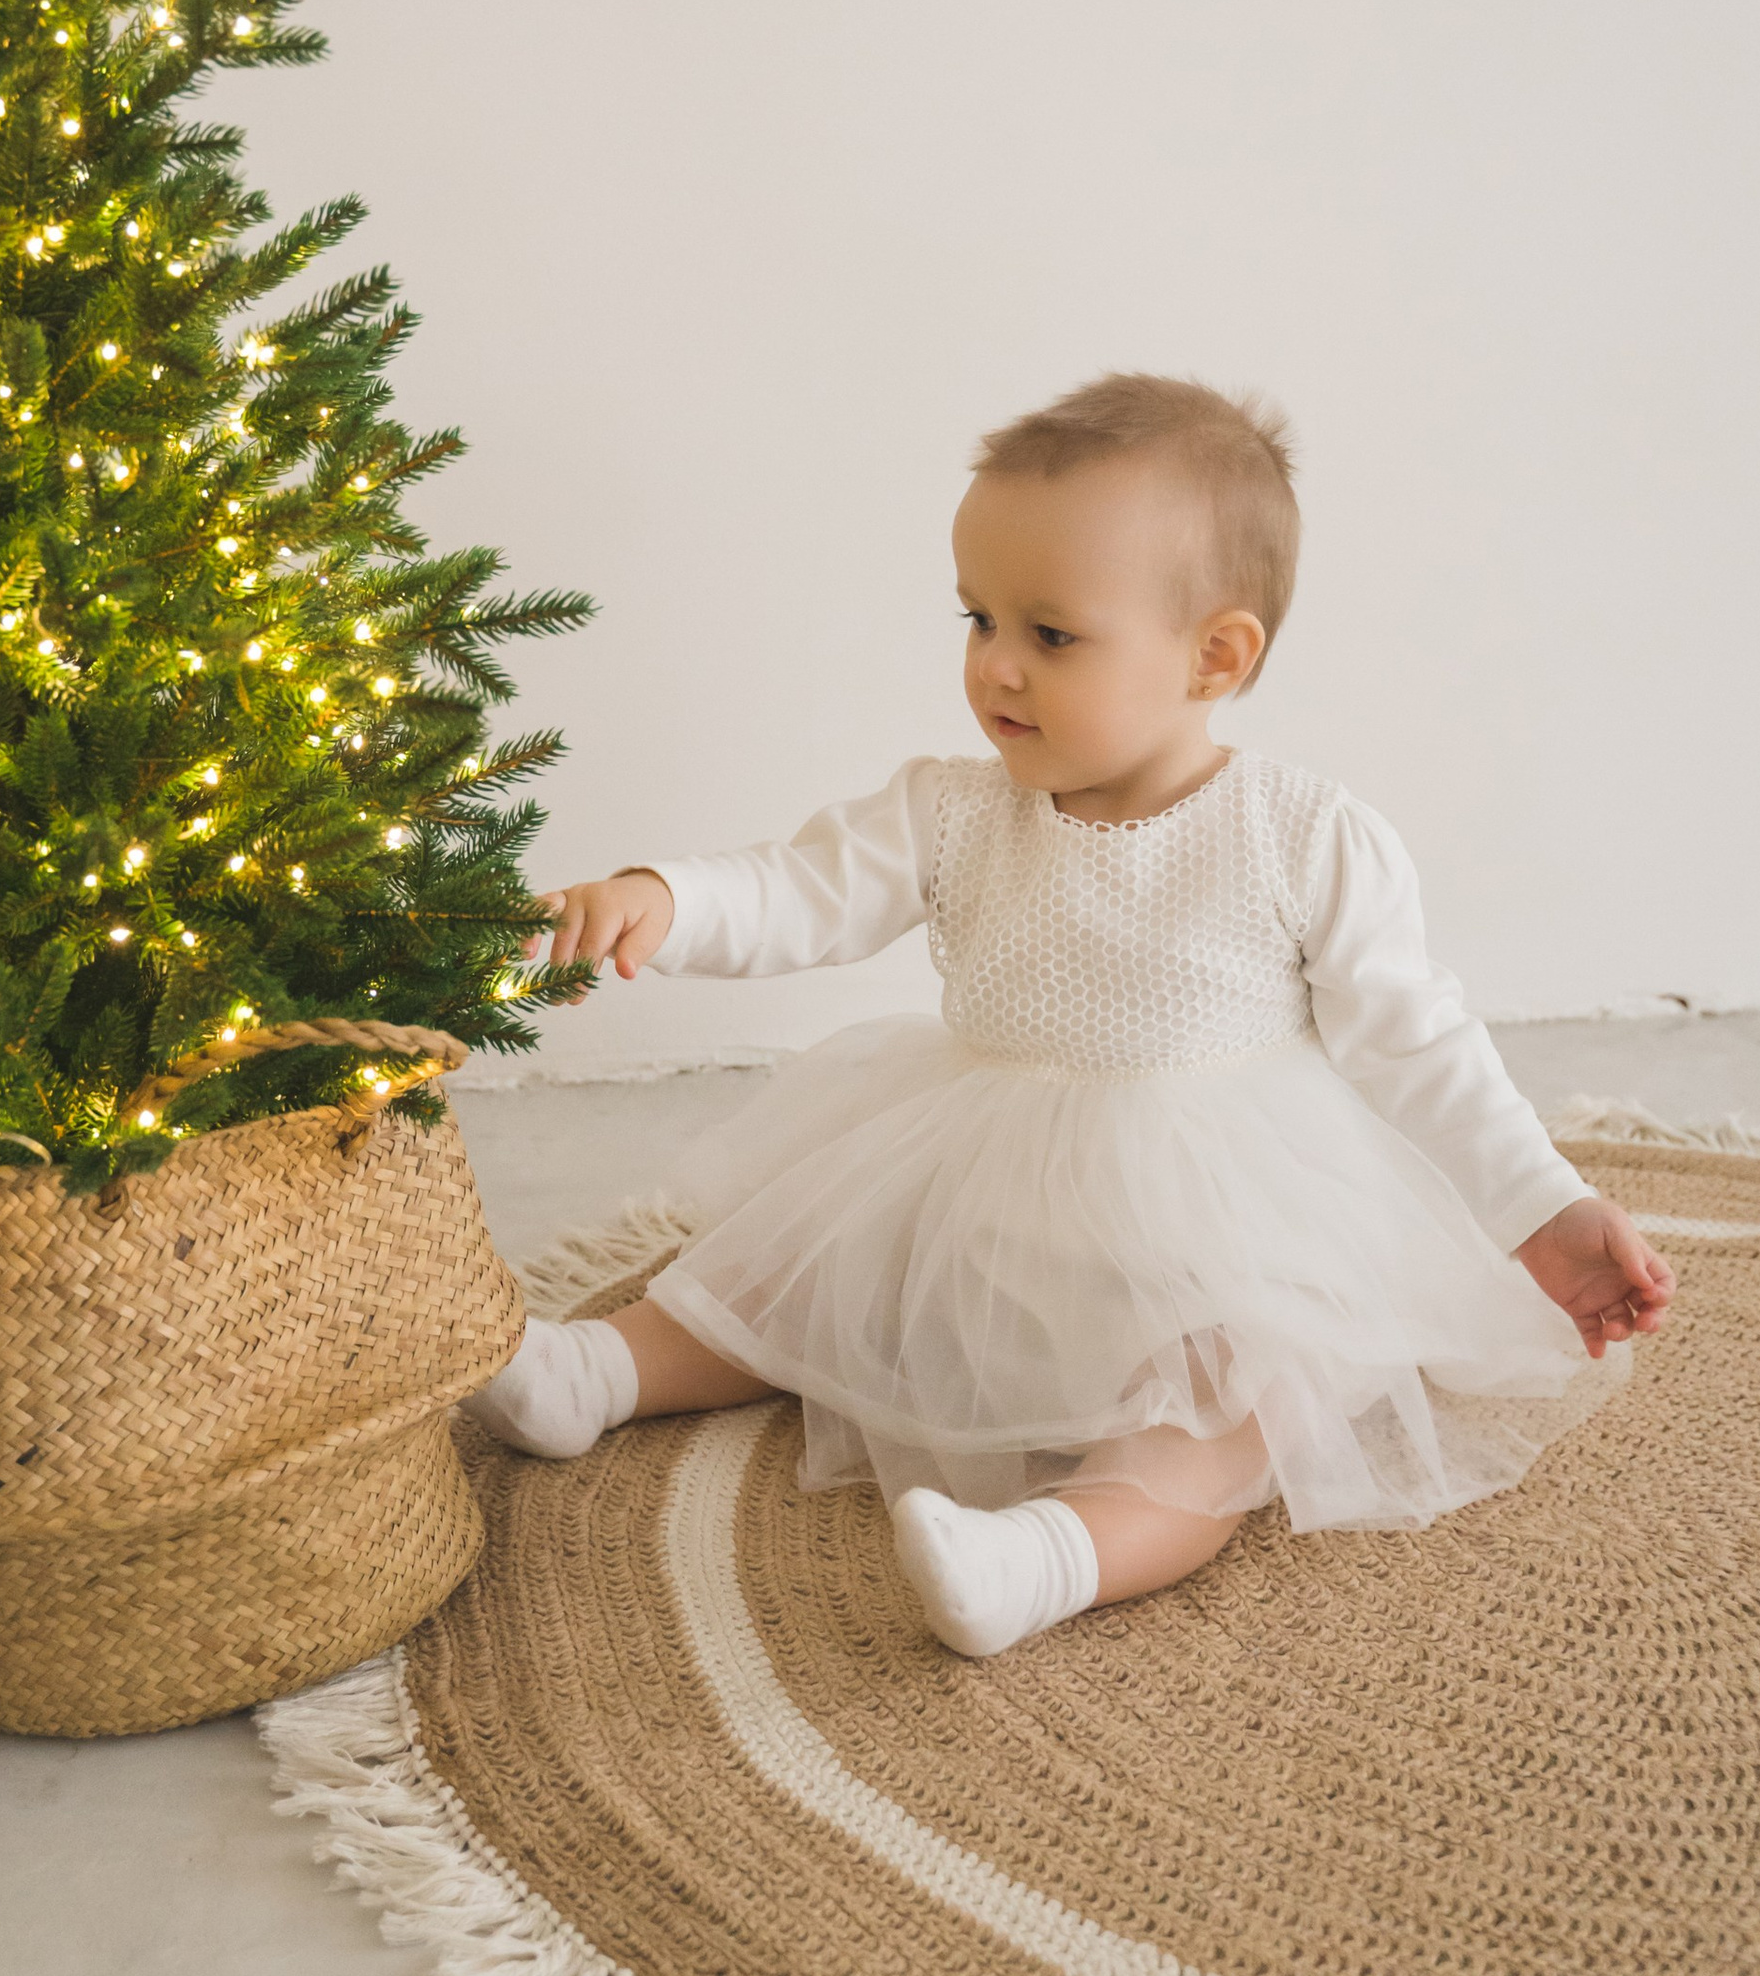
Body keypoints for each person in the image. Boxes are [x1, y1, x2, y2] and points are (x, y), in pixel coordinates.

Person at [474, 372, 1673, 1660]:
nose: (996, 665)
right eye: (979, 617)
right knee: (793, 1269)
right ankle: (602, 1372)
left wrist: (1543, 1211)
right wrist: (670, 897)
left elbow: (1418, 1044)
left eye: (1053, 635)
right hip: (980, 1192)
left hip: (1213, 1238)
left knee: (1229, 1404)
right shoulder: (953, 807)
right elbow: (801, 887)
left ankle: (1056, 1552)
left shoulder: (1303, 837)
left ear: (1214, 656)